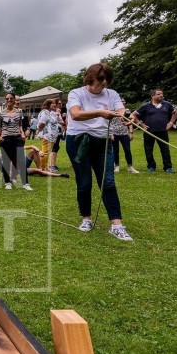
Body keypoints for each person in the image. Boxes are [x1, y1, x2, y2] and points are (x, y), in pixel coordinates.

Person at [65, 63, 132, 241]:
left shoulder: (112, 94)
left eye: (106, 80)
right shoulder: (76, 93)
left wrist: (125, 114)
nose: (103, 83)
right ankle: (86, 218)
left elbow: (120, 109)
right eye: (100, 79)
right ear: (90, 78)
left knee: (108, 182)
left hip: (102, 142)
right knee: (84, 182)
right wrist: (101, 113)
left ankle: (117, 225)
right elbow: (76, 114)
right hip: (78, 141)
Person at [130, 89, 177, 173]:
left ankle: (168, 167)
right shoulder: (146, 106)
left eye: (162, 94)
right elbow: (133, 115)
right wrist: (141, 124)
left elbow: (175, 112)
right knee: (148, 150)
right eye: (158, 94)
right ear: (152, 96)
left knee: (165, 149)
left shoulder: (167, 104)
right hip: (149, 131)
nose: (161, 95)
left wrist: (170, 123)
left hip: (162, 131)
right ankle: (151, 166)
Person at [0, 93, 32, 191]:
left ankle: (25, 183)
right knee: (6, 161)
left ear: (14, 99)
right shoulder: (1, 113)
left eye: (11, 98)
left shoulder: (19, 112)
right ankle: (7, 182)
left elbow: (20, 124)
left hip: (17, 138)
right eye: (7, 98)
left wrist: (22, 133)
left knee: (21, 161)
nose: (9, 100)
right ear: (5, 100)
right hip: (5, 138)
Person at [110, 98, 139, 174]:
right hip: (114, 133)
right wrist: (110, 134)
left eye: (123, 101)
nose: (123, 103)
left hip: (124, 133)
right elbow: (108, 123)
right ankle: (117, 166)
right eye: (121, 101)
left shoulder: (127, 110)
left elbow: (130, 121)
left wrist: (131, 132)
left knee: (127, 149)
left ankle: (130, 167)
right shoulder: (111, 111)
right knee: (115, 150)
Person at [36, 98, 60, 171]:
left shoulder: (49, 112)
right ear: (47, 104)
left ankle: (45, 167)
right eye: (52, 103)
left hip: (50, 137)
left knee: (47, 152)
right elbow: (41, 123)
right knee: (45, 153)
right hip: (46, 136)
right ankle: (43, 168)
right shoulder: (45, 112)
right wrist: (39, 131)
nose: (55, 104)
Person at [49, 99, 66, 171]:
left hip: (58, 132)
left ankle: (53, 164)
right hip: (52, 133)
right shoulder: (51, 112)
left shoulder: (58, 112)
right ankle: (51, 165)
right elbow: (53, 121)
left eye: (61, 103)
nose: (60, 105)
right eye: (58, 103)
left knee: (56, 147)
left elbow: (62, 122)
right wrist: (57, 115)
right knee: (53, 148)